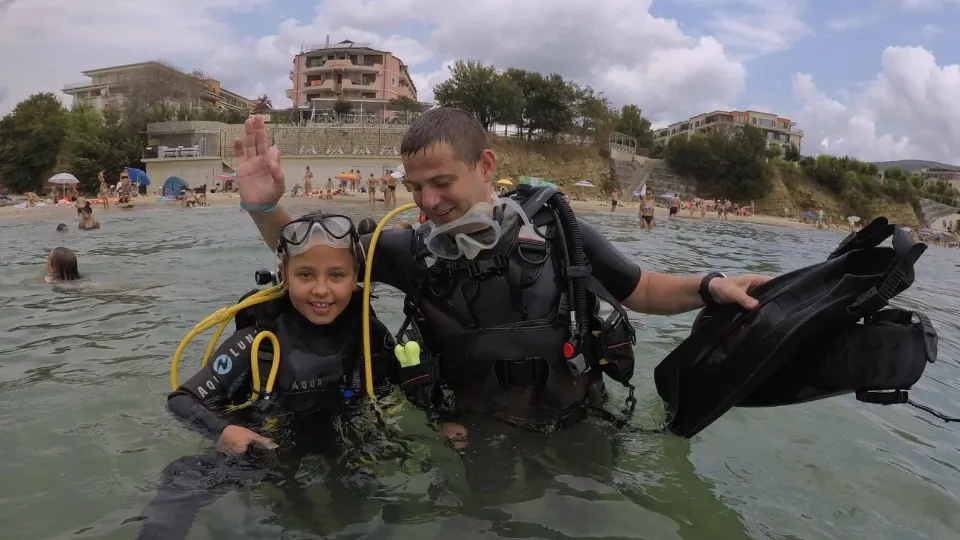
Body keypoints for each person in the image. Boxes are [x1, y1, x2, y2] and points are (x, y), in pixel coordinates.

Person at [233, 110, 768, 441]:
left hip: (581, 431)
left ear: (486, 165)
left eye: (442, 182)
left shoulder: (559, 230)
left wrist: (709, 285)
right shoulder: (407, 249)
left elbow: (644, 288)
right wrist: (265, 207)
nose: (429, 202)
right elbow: (314, 259)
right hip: (471, 438)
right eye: (416, 188)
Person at [137, 212, 432, 540]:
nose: (321, 289)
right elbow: (183, 400)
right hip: (264, 449)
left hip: (344, 446)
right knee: (183, 481)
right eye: (305, 274)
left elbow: (394, 393)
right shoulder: (260, 340)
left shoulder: (369, 334)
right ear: (283, 276)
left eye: (336, 275)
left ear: (356, 277)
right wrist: (226, 430)